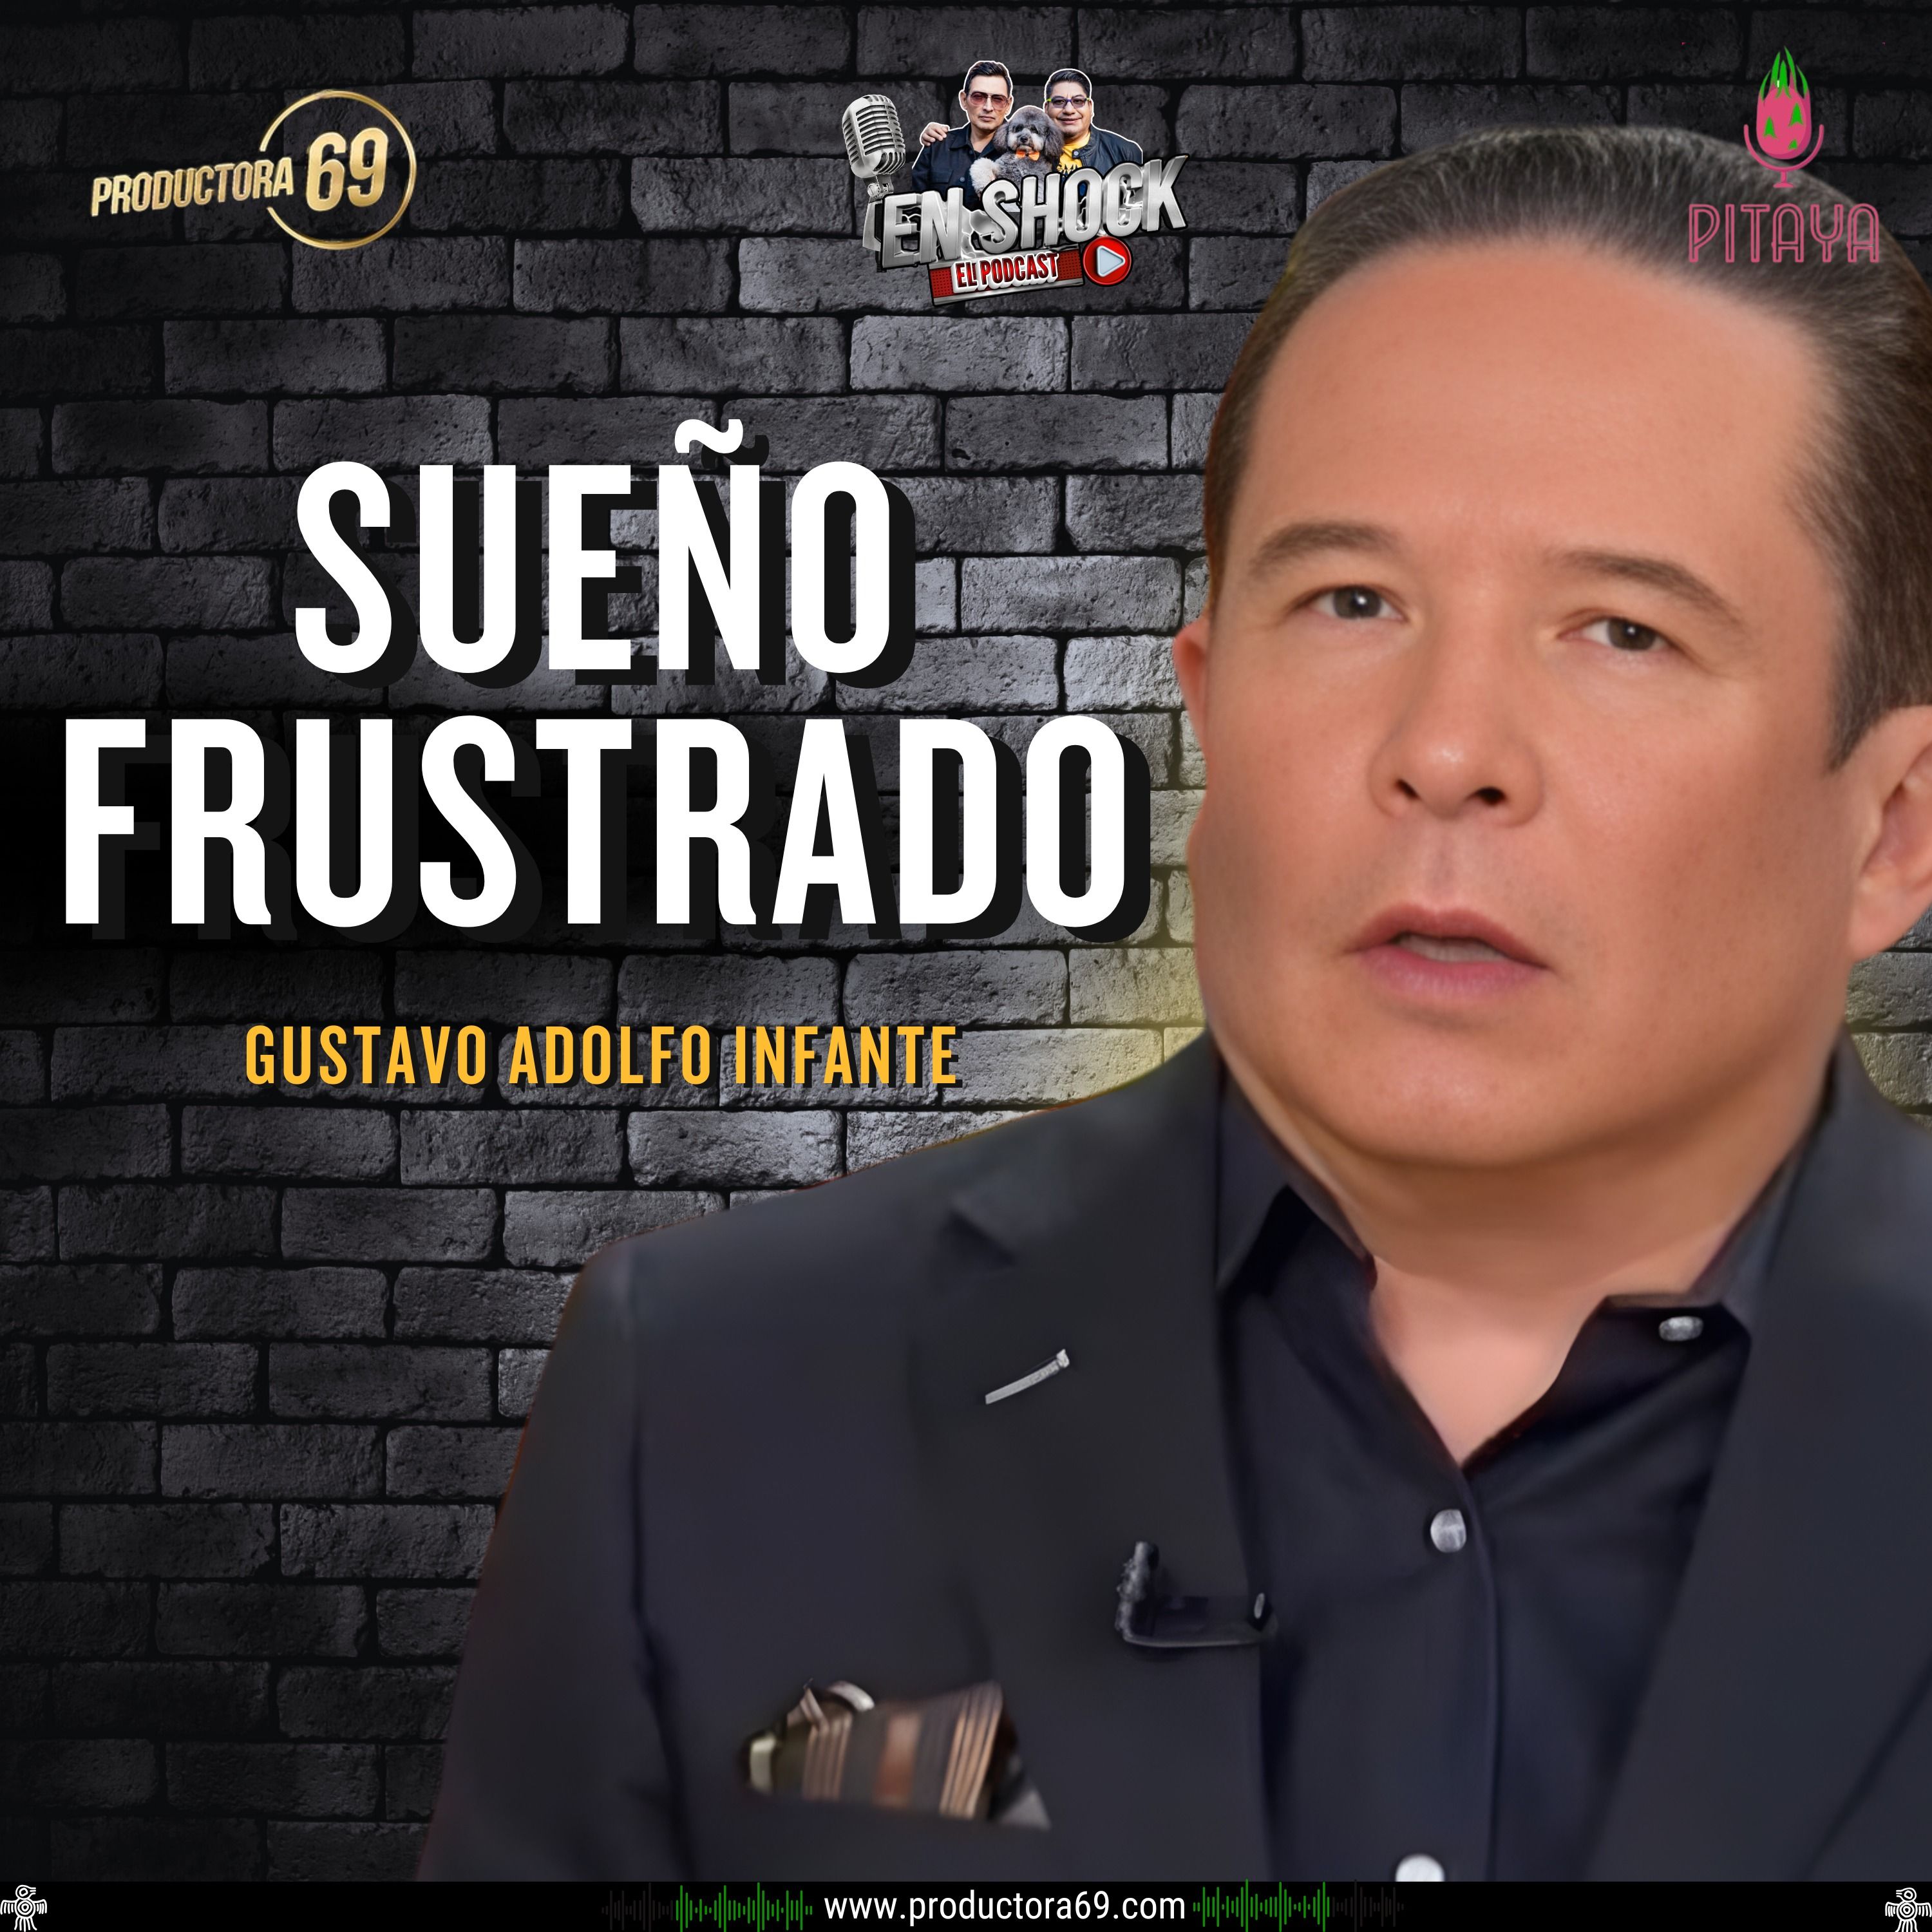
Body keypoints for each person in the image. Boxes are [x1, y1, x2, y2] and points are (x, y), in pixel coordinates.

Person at [421, 124, 1932, 1881]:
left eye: (1620, 631)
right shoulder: (706, 1395)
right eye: (1351, 600)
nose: (1446, 748)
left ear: (1893, 828)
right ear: (1204, 711)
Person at [909, 59, 1012, 207]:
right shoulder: (937, 147)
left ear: (1008, 105)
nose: (988, 107)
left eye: (998, 99)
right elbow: (912, 207)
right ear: (964, 100)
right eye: (978, 97)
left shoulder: (1025, 153)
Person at [1041, 68, 1142, 173]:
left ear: (1090, 107)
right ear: (1046, 108)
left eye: (1078, 101)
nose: (1069, 110)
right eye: (1059, 102)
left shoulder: (1126, 153)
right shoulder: (1031, 151)